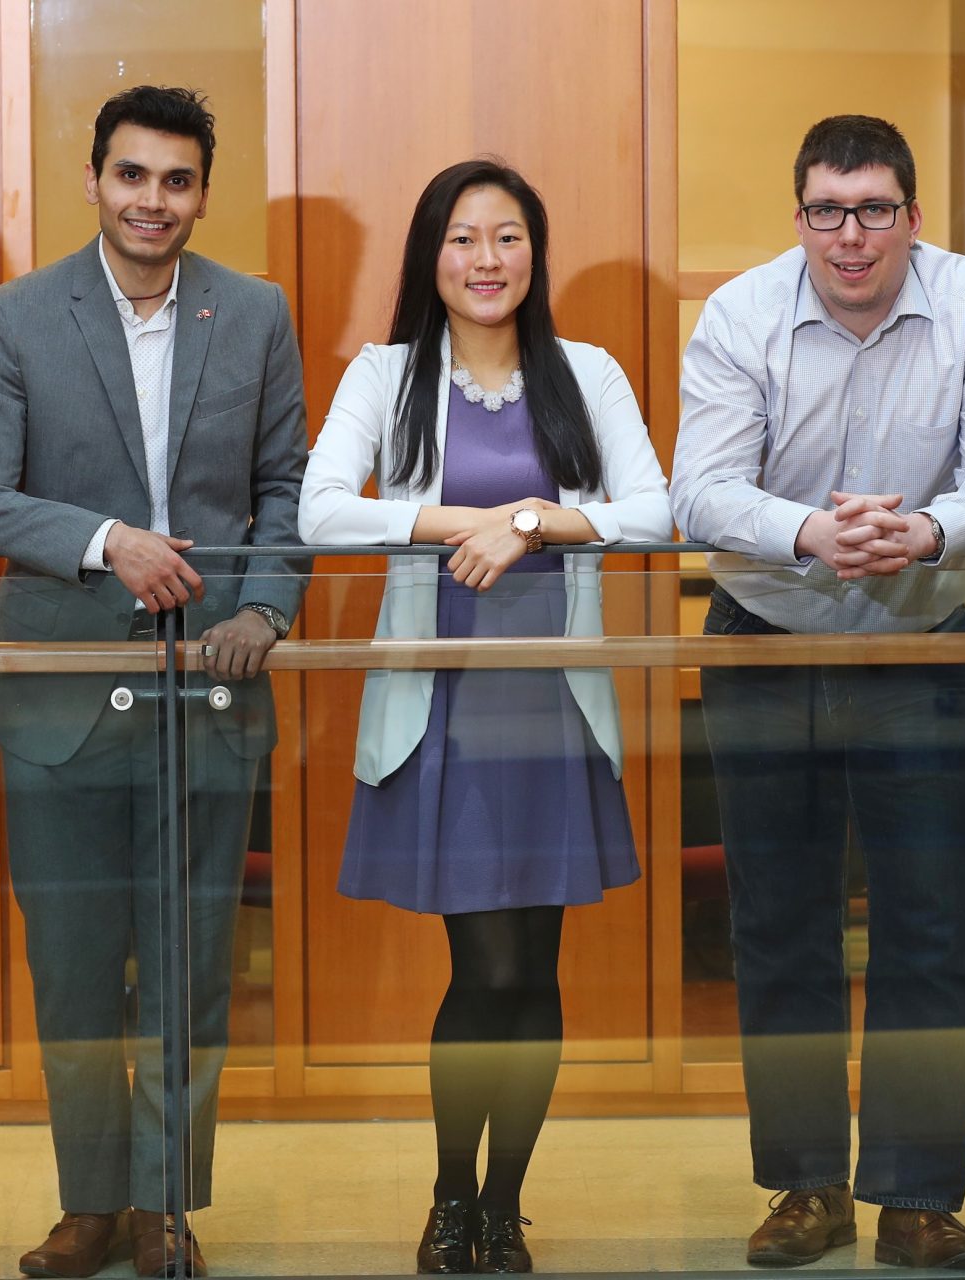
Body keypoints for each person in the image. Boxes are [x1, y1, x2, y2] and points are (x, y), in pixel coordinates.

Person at [0, 85, 306, 1279]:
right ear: (94, 179)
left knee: (193, 968)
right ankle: (90, 1203)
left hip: (210, 690)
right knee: (75, 965)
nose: (153, 200)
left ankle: (164, 1205)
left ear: (203, 190)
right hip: (60, 700)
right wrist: (111, 541)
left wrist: (263, 605)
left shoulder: (252, 313)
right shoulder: (15, 316)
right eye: (131, 175)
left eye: (177, 179)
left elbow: (285, 489)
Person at [299, 159, 671, 1275]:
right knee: (485, 968)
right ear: (431, 256)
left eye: (505, 237)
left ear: (532, 253)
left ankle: (502, 1205)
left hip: (554, 705)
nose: (484, 260)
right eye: (462, 239)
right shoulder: (386, 373)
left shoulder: (584, 372)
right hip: (443, 705)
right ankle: (449, 1193)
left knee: (534, 966)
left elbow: (653, 509)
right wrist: (483, 515)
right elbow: (323, 510)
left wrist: (532, 522)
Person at [672, 114, 965, 1270]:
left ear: (910, 214)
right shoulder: (741, 314)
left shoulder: (962, 302)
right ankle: (804, 1183)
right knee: (777, 922)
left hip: (921, 639)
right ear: (796, 214)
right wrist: (808, 530)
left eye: (873, 210)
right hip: (767, 634)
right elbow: (700, 488)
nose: (849, 237)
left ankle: (913, 1190)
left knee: (932, 923)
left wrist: (928, 528)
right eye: (825, 211)